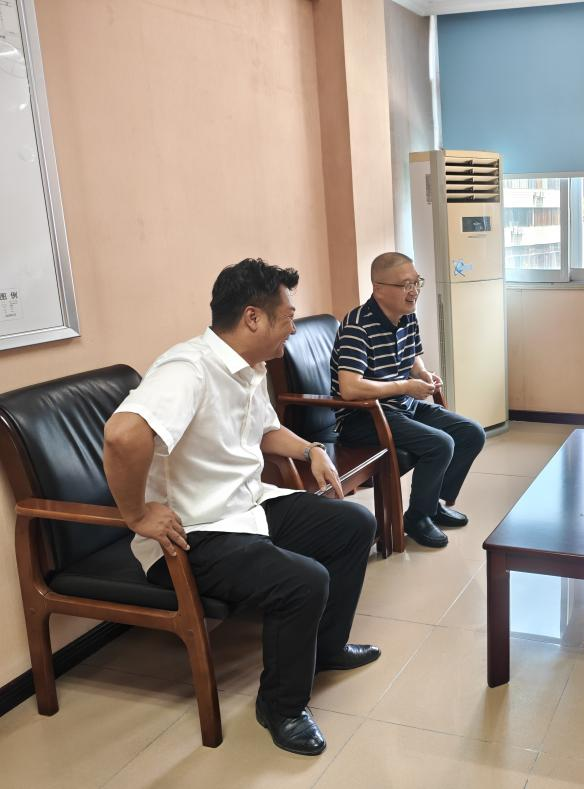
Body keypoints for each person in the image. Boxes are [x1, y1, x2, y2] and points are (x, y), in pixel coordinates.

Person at [103, 259, 379, 756]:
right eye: (287, 318)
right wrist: (137, 515)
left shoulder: (249, 367)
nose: (293, 328)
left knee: (355, 523)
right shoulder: (187, 369)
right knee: (304, 580)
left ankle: (327, 648)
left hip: (247, 506)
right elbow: (122, 435)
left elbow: (265, 430)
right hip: (194, 532)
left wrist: (311, 451)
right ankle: (281, 707)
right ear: (253, 317)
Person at [330, 251, 486, 549]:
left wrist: (423, 375)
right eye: (405, 285)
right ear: (379, 289)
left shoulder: (407, 315)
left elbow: (413, 356)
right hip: (364, 417)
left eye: (416, 282)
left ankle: (431, 505)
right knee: (440, 444)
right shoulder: (357, 326)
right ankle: (417, 518)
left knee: (471, 433)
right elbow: (350, 388)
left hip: (400, 407)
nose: (414, 291)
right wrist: (405, 386)